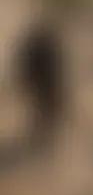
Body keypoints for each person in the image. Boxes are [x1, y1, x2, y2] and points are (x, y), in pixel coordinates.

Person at [17, 20, 66, 150]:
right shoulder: (43, 47)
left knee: (43, 111)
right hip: (43, 83)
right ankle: (41, 139)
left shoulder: (44, 46)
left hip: (44, 83)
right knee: (42, 111)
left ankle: (42, 138)